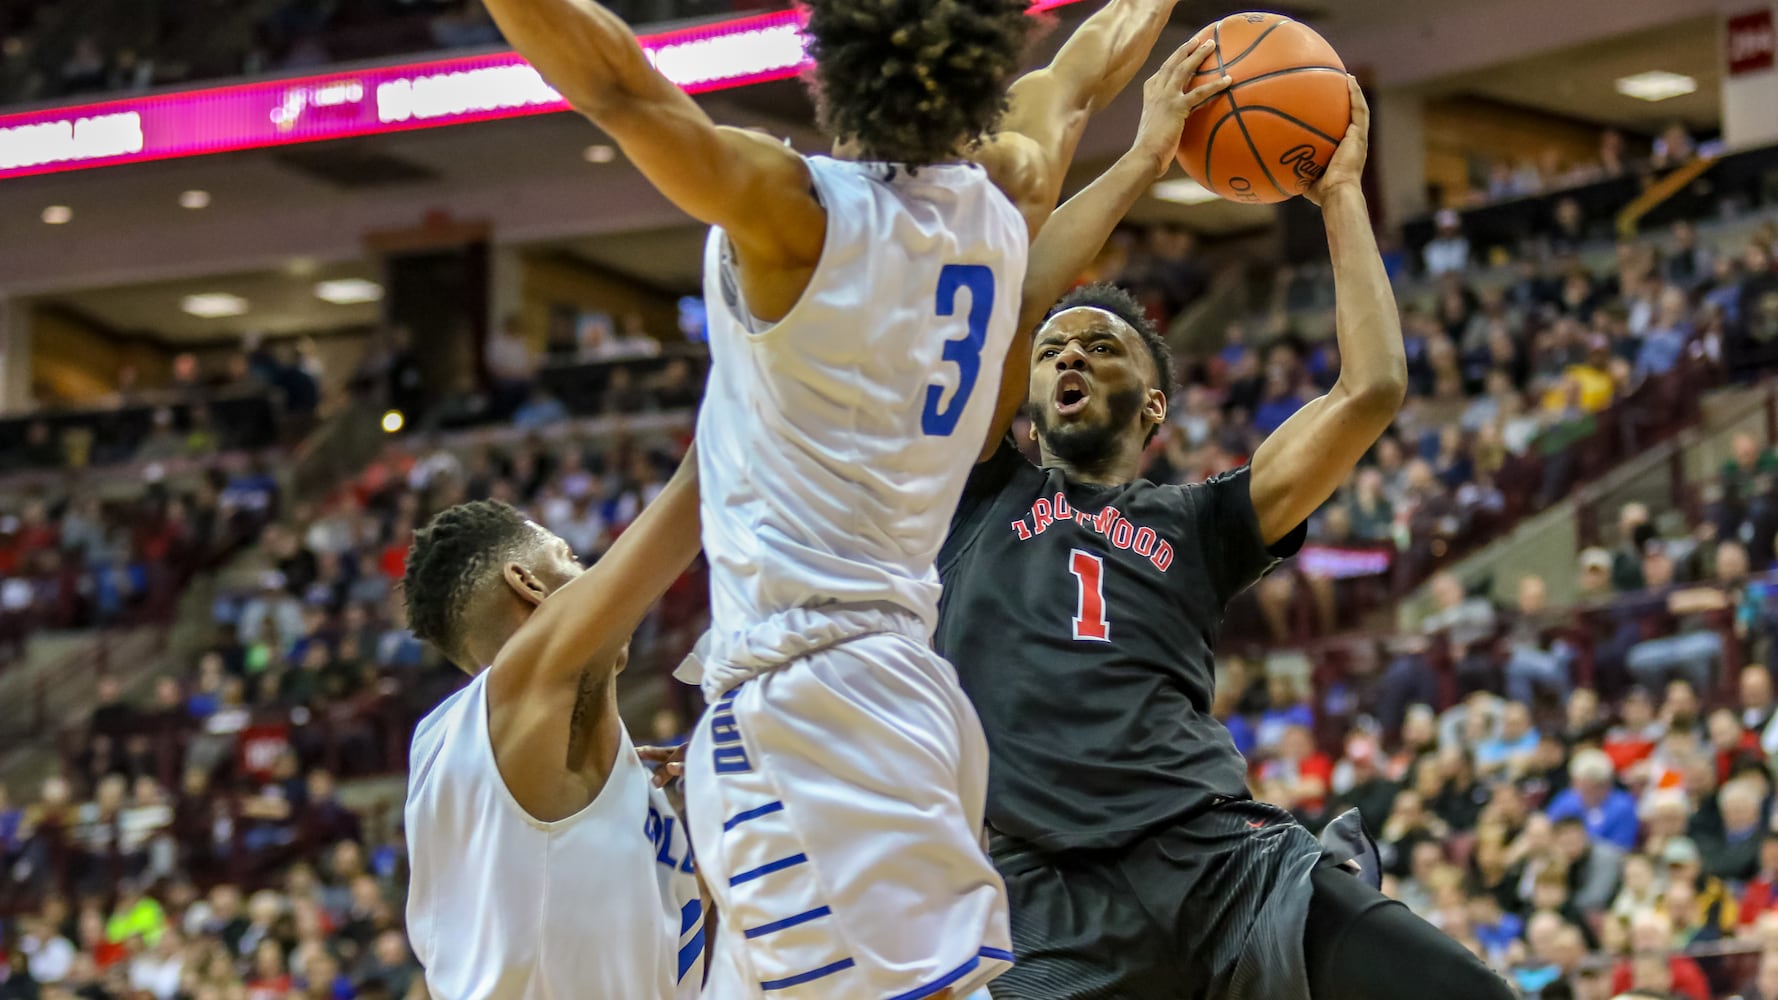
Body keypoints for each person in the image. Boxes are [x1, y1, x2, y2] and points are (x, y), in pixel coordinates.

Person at [479, 0, 1224, 994]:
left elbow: (615, 81)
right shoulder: (1009, 194)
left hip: (809, 707)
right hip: (898, 688)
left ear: (830, 70)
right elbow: (1086, 66)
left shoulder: (794, 215)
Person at [933, 76, 1510, 1000]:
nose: (1070, 353)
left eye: (1101, 345)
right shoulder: (973, 490)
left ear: (1154, 406)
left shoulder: (1200, 521)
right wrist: (1144, 157)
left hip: (1221, 859)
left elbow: (1371, 392)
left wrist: (1338, 197)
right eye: (1052, 351)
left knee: (1464, 994)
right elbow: (1022, 289)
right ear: (1026, 400)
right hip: (1049, 900)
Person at [398, 450, 706, 1000]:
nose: (589, 573)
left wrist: (712, 816)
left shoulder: (449, 746)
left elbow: (664, 957)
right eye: (568, 558)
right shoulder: (518, 689)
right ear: (529, 584)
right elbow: (700, 485)